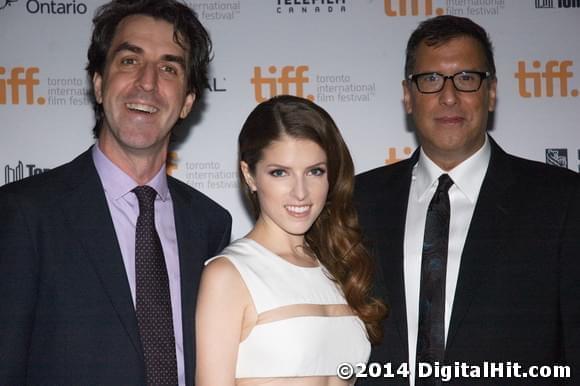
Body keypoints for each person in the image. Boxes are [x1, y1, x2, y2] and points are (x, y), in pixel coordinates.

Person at [0, 0, 231, 384]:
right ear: (99, 82)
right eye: (129, 61)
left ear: (188, 101)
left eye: (169, 68)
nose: (148, 82)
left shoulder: (210, 224)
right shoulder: (24, 213)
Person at [355, 15, 580, 386]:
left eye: (466, 78)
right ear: (407, 96)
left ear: (490, 92)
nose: (448, 96)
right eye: (430, 80)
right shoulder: (358, 201)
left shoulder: (562, 202)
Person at [195, 95, 387, 385]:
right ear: (250, 175)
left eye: (314, 171)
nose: (300, 192)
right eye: (280, 173)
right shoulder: (228, 276)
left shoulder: (337, 266)